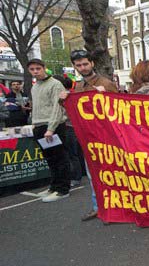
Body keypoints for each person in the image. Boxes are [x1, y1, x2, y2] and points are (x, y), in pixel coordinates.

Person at [60, 49, 118, 221]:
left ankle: (115, 208)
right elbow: (76, 112)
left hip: (107, 138)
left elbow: (120, 109)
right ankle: (98, 207)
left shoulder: (105, 83)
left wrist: (104, 95)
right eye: (78, 65)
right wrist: (64, 100)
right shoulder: (78, 86)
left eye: (85, 63)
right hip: (89, 138)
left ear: (92, 63)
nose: (83, 67)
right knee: (93, 174)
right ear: (74, 66)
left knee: (112, 174)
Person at [28, 58, 71, 202]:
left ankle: (63, 189)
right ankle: (53, 187)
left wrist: (51, 128)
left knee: (60, 158)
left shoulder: (55, 84)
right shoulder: (35, 86)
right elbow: (37, 106)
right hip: (40, 126)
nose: (35, 72)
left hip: (53, 127)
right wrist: (34, 123)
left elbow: (57, 107)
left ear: (44, 68)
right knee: (50, 159)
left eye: (38, 69)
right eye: (32, 69)